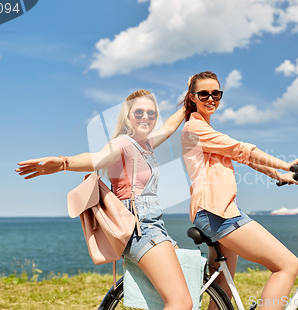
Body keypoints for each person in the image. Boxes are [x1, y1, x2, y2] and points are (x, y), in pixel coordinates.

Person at [16, 90, 192, 310]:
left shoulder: (144, 144)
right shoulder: (123, 143)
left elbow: (168, 129)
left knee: (183, 286)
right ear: (128, 117)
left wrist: (192, 97)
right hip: (142, 229)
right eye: (138, 112)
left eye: (151, 113)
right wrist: (63, 162)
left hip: (153, 226)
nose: (145, 117)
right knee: (181, 303)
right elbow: (97, 158)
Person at [180, 71, 298, 310]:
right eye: (204, 94)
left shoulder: (206, 131)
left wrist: (278, 174)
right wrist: (287, 163)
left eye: (216, 94)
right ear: (193, 97)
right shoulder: (195, 130)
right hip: (217, 213)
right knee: (287, 264)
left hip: (217, 211)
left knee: (222, 296)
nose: (211, 99)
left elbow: (244, 158)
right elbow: (243, 149)